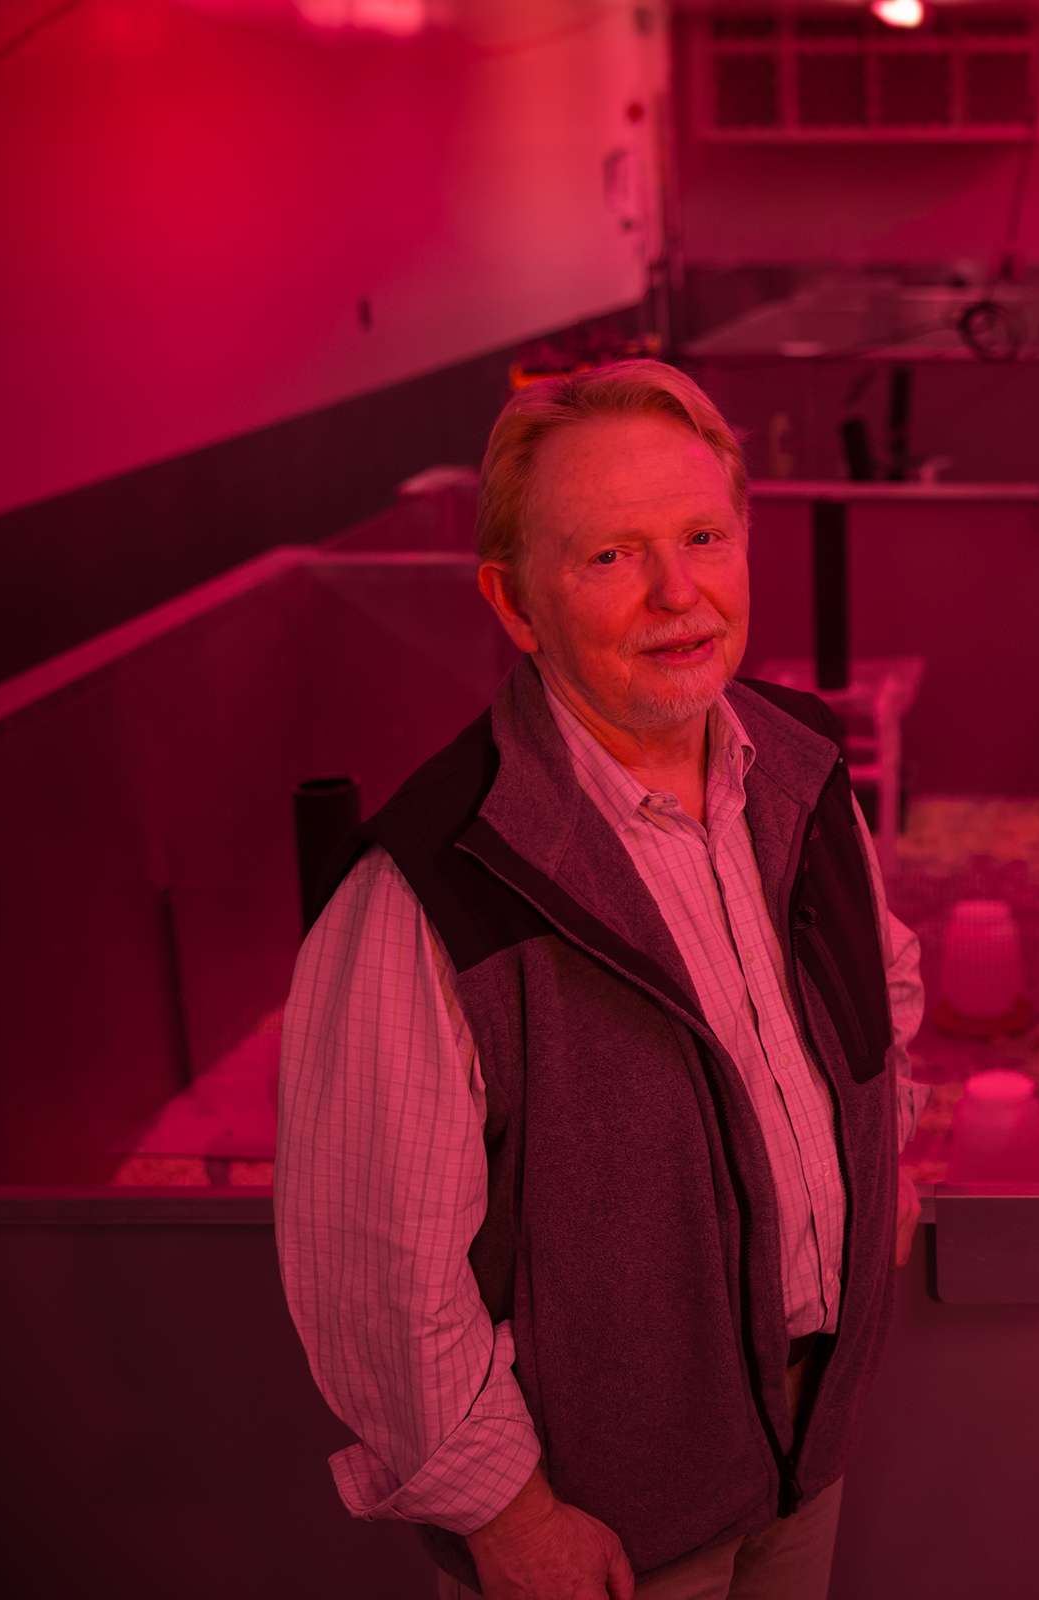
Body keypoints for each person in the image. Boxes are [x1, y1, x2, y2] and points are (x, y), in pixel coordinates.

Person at [276, 360, 927, 1600]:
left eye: (701, 537)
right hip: (601, 1518)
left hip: (807, 1443)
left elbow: (881, 989)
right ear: (516, 605)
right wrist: (507, 1516)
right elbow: (377, 1269)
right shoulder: (435, 885)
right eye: (610, 558)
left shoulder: (800, 770)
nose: (679, 594)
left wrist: (892, 1144)